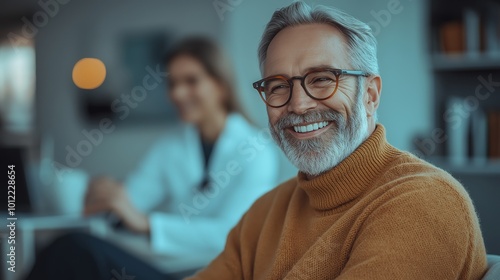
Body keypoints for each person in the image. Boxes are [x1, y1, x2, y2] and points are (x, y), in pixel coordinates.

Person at [187, 2, 488, 279]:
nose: (299, 105)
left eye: (321, 79)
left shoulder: (424, 202)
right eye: (277, 86)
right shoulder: (265, 212)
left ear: (370, 95)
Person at [25, 37, 278, 280]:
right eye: (173, 83)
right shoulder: (171, 146)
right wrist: (109, 197)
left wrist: (148, 225)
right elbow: (133, 200)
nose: (178, 93)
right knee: (72, 255)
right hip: (175, 269)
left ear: (221, 85)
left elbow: (233, 234)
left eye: (191, 81)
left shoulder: (256, 150)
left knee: (75, 250)